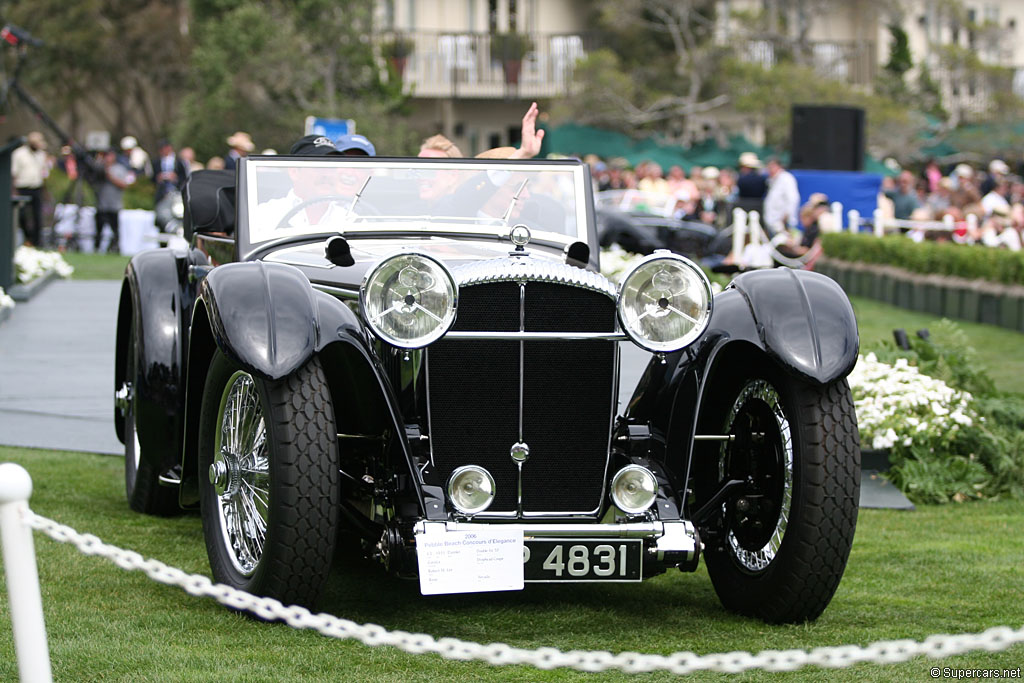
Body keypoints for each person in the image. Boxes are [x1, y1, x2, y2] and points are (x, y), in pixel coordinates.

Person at [11, 131, 49, 247]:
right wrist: (14, 190)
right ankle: (28, 238)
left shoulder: (41, 154)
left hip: (36, 187)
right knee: (21, 215)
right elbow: (14, 173)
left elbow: (43, 172)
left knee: (37, 216)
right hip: (22, 188)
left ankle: (36, 242)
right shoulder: (19, 154)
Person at [95, 148, 135, 253]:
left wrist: (110, 176)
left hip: (114, 204)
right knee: (99, 229)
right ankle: (97, 248)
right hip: (101, 204)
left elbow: (124, 184)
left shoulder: (120, 169)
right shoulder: (99, 169)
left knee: (115, 230)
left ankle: (115, 248)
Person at [762, 157, 800, 233]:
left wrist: (786, 216)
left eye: (772, 167)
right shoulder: (772, 180)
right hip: (773, 224)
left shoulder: (786, 178)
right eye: (768, 167)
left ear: (779, 166)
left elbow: (793, 198)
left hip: (783, 224)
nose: (770, 170)